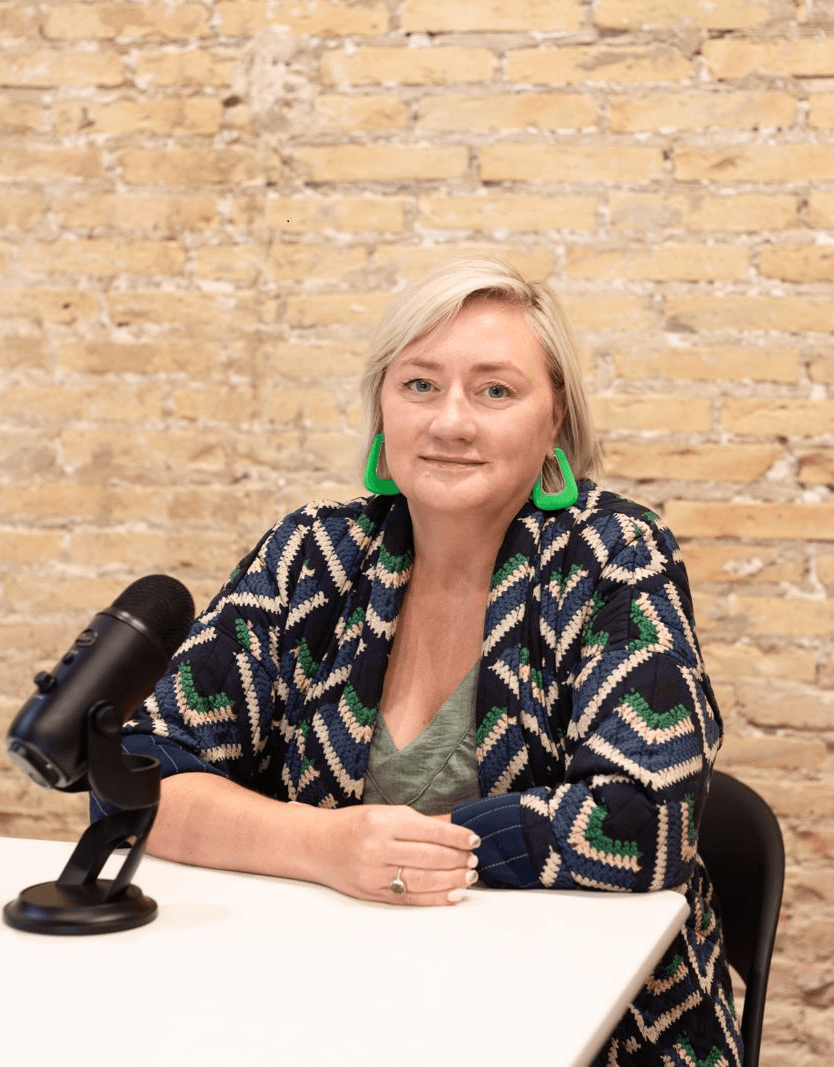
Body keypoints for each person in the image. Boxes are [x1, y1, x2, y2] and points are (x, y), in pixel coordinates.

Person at [104, 256, 742, 1066]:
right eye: (418, 385)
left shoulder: (614, 556)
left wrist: (386, 850)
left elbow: (645, 820)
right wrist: (324, 844)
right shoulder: (313, 554)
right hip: (329, 1005)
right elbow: (135, 778)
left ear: (555, 425)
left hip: (587, 1022)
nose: (450, 421)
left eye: (495, 390)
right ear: (381, 411)